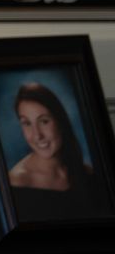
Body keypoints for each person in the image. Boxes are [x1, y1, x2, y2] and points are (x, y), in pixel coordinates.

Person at [6, 80, 106, 221]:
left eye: (44, 121)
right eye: (27, 123)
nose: (37, 135)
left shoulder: (87, 173)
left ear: (60, 121)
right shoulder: (15, 184)